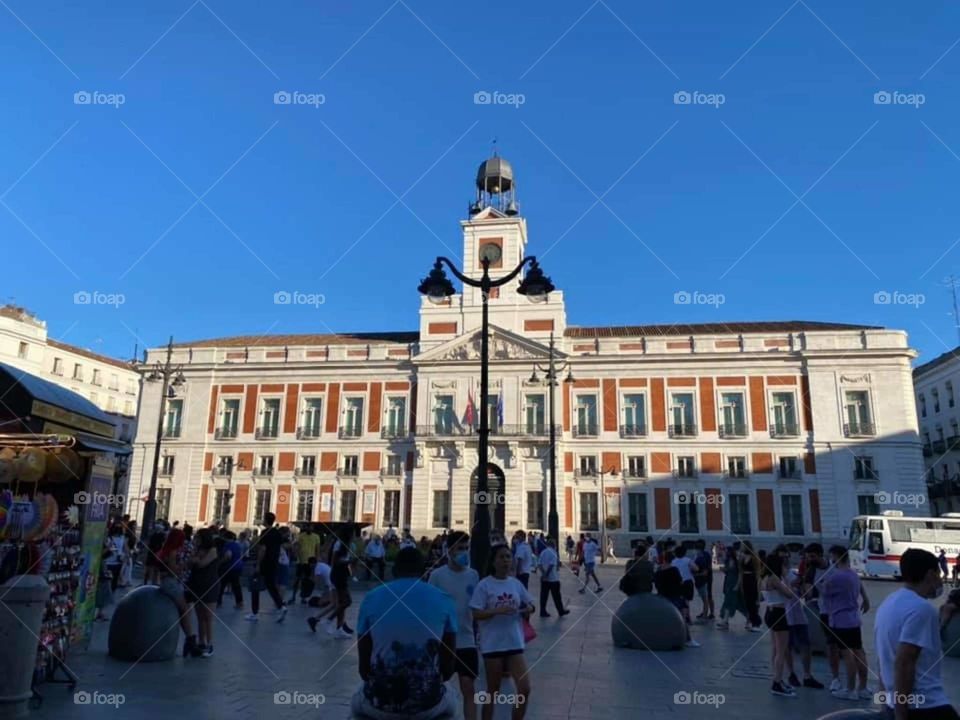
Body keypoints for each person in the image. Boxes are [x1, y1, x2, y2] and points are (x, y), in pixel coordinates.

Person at [353, 547, 459, 720]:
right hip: (428, 704)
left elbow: (364, 670)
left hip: (380, 703)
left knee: (356, 706)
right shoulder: (444, 599)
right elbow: (448, 669)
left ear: (394, 570)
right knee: (453, 703)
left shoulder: (371, 597)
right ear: (423, 570)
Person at [875, 548, 957, 720]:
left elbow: (882, 659)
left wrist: (886, 706)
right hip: (925, 706)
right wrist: (901, 716)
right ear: (930, 574)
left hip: (894, 703)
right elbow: (904, 662)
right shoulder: (922, 609)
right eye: (938, 573)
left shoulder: (887, 603)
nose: (940, 579)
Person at [471, 543, 535, 720]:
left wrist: (528, 608)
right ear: (493, 562)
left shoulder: (515, 584)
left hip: (514, 642)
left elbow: (530, 604)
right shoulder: (484, 585)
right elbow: (476, 613)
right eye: (502, 557)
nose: (506, 560)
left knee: (524, 688)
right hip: (492, 644)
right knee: (493, 690)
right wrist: (496, 611)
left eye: (508, 556)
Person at [429, 531, 481, 720]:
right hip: (442, 641)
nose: (464, 552)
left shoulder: (474, 575)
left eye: (466, 548)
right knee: (437, 688)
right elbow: (430, 608)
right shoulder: (436, 576)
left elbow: (477, 606)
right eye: (460, 548)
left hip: (467, 640)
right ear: (449, 550)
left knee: (469, 688)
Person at [823, 545, 871, 700]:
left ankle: (850, 689)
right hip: (853, 619)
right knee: (859, 652)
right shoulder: (853, 575)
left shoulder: (836, 577)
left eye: (832, 557)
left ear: (836, 557)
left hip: (840, 620)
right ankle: (862, 687)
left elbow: (823, 590)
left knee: (847, 654)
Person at [156, 528, 201, 657]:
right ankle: (191, 640)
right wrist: (186, 564)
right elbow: (173, 571)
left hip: (167, 582)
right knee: (185, 610)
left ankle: (190, 640)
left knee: (184, 610)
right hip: (171, 584)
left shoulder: (164, 550)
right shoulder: (172, 552)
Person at [783, 553, 823, 689]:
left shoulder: (794, 575)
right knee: (787, 647)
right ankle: (791, 674)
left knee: (806, 645)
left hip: (799, 616)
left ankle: (807, 675)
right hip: (785, 617)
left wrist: (803, 586)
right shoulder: (775, 578)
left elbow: (805, 595)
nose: (786, 561)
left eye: (786, 558)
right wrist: (792, 585)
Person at [762, 553, 799, 697]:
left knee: (776, 649)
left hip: (769, 612)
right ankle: (777, 683)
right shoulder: (774, 578)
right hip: (778, 613)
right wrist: (786, 580)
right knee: (781, 651)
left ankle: (778, 678)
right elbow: (790, 594)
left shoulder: (764, 578)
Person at [245, 512, 287, 623]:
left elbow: (263, 549)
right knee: (271, 586)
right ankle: (281, 606)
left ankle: (254, 613)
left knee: (255, 586)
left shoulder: (264, 532)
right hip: (274, 563)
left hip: (265, 563)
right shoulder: (277, 533)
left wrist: (258, 564)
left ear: (265, 520)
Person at [185, 528, 220, 657]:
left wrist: (195, 559)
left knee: (208, 617)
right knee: (200, 617)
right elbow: (189, 563)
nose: (196, 540)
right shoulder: (197, 550)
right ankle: (201, 642)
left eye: (198, 538)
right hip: (197, 585)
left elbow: (201, 564)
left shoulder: (213, 550)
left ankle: (210, 644)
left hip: (209, 585)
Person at [653, 559, 700, 648]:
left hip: (662, 598)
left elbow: (656, 584)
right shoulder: (674, 570)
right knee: (683, 618)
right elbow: (680, 581)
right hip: (675, 597)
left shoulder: (658, 572)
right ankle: (688, 639)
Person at [538, 538, 569, 617]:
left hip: (544, 579)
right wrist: (547, 574)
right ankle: (560, 610)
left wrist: (543, 574)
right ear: (554, 545)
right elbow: (551, 565)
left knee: (544, 596)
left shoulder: (543, 552)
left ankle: (542, 611)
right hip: (553, 578)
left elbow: (539, 564)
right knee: (557, 596)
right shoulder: (553, 553)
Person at [716, 545, 743, 629]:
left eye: (726, 551)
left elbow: (738, 573)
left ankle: (725, 621)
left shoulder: (733, 561)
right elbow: (729, 571)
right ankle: (725, 621)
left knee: (729, 602)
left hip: (732, 583)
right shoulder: (730, 560)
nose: (725, 552)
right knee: (733, 602)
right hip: (729, 582)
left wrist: (737, 585)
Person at [290, 525, 319, 603]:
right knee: (297, 579)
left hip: (310, 563)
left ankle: (304, 597)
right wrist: (296, 555)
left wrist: (316, 560)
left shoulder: (316, 537)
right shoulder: (301, 536)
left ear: (313, 528)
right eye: (308, 527)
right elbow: (296, 546)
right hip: (300, 561)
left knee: (307, 580)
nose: (309, 528)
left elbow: (317, 549)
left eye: (310, 527)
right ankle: (293, 597)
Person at [216, 530, 244, 609]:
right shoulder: (237, 545)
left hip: (228, 567)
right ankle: (240, 603)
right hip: (238, 566)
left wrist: (220, 562)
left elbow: (228, 556)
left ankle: (218, 602)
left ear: (225, 537)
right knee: (236, 585)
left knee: (221, 585)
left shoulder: (227, 545)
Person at [671, 545, 699, 623]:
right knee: (686, 601)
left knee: (678, 600)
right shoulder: (688, 560)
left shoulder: (673, 561)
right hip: (688, 582)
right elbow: (696, 568)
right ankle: (688, 616)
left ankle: (679, 616)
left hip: (677, 583)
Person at [738, 541, 762, 631]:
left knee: (752, 602)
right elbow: (740, 570)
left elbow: (758, 571)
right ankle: (753, 621)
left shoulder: (754, 557)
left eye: (742, 546)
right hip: (745, 579)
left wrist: (758, 583)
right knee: (747, 602)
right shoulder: (742, 557)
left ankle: (757, 622)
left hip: (752, 579)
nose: (741, 547)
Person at [693, 540, 714, 620]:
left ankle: (707, 613)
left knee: (707, 596)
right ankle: (709, 612)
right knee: (707, 596)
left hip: (705, 579)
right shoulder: (705, 554)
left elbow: (705, 570)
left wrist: (695, 574)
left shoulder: (701, 556)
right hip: (707, 577)